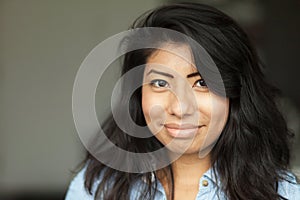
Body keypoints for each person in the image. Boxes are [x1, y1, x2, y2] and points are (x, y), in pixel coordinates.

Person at [65, 2, 300, 200]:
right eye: (160, 83)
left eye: (202, 83)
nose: (179, 108)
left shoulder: (284, 193)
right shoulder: (97, 187)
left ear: (235, 92)